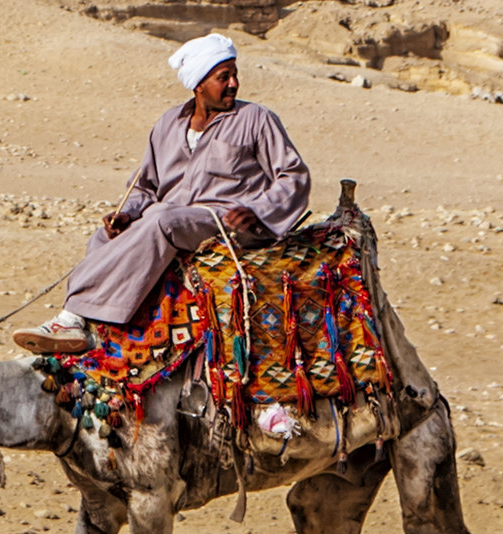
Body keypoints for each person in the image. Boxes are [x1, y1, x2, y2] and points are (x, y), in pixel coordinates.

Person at [19, 32, 313, 353]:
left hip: (225, 222)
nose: (233, 84)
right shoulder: (168, 124)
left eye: (234, 75)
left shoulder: (256, 120)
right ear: (198, 84)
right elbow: (145, 185)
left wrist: (258, 210)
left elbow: (292, 177)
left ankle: (71, 315)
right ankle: (95, 328)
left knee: (162, 219)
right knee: (107, 237)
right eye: (223, 77)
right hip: (171, 217)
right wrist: (127, 212)